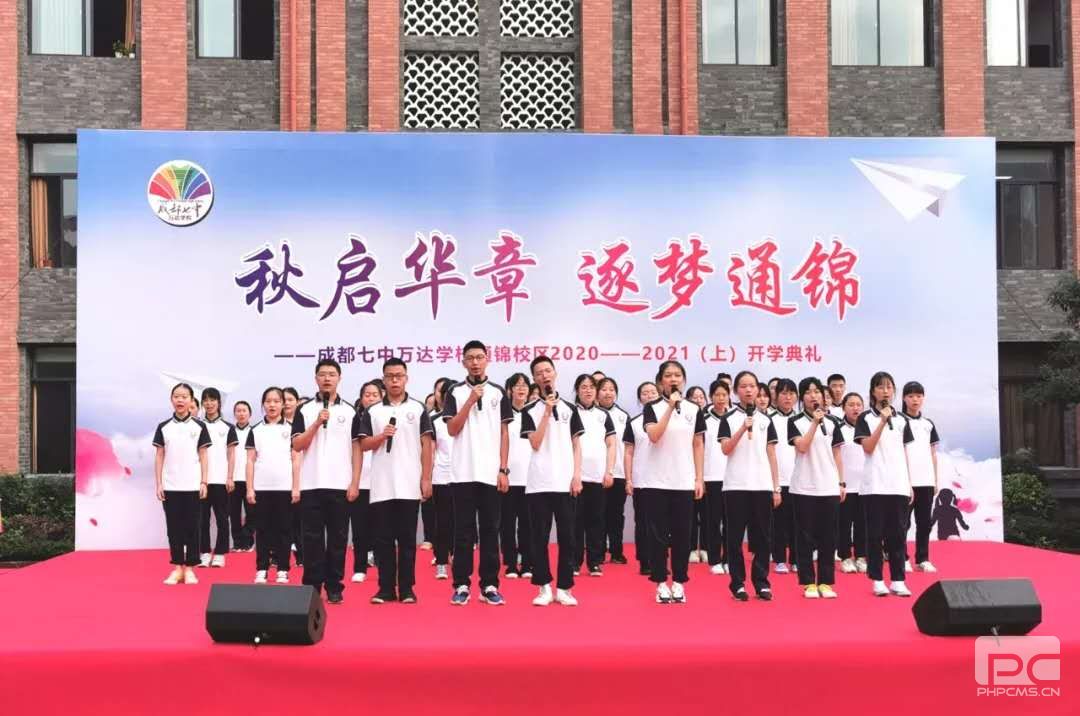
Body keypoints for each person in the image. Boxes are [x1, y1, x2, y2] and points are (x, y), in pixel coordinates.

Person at [356, 358, 434, 604]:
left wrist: (426, 478)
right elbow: (364, 444)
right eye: (390, 376)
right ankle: (386, 588)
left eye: (399, 376)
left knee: (407, 540)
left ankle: (407, 588)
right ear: (384, 380)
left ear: (406, 378)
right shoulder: (373, 411)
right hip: (382, 485)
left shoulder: (418, 409)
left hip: (409, 484)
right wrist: (381, 437)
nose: (395, 380)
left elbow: (427, 445)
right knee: (383, 540)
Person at [443, 340, 512, 606]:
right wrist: (470, 401)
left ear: (487, 359)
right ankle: (461, 584)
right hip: (463, 473)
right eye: (470, 358)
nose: (475, 362)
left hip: (490, 473)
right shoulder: (455, 392)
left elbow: (505, 433)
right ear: (463, 362)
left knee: (490, 530)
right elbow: (452, 429)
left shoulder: (498, 392)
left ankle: (489, 585)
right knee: (463, 532)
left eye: (479, 357)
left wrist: (503, 469)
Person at [291, 359, 360, 605]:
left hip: (340, 484)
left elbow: (357, 449)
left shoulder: (351, 411)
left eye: (332, 374)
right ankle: (312, 585)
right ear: (316, 379)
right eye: (322, 374)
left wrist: (355, 482)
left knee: (338, 539)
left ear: (339, 378)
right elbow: (297, 445)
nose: (327, 378)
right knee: (311, 539)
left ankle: (334, 586)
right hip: (311, 484)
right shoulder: (304, 410)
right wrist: (317, 423)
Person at [522, 355, 584, 606]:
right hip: (539, 483)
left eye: (548, 371)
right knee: (539, 537)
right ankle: (544, 587)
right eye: (539, 373)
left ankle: (565, 588)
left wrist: (577, 475)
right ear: (534, 379)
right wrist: (546, 411)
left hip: (565, 483)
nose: (544, 375)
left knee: (568, 537)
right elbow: (535, 443)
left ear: (555, 373)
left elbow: (576, 444)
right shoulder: (529, 410)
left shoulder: (570, 408)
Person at [643, 360, 705, 604]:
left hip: (683, 481)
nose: (673, 379)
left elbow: (698, 444)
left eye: (677, 375)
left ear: (684, 380)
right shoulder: (652, 408)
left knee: (682, 535)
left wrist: (699, 478)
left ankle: (679, 582)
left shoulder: (693, 409)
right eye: (668, 375)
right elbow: (654, 436)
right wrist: (669, 407)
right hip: (656, 482)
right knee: (657, 537)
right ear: (661, 381)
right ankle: (660, 583)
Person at [720, 370, 781, 602]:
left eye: (752, 386)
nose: (748, 390)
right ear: (736, 391)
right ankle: (737, 584)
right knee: (734, 538)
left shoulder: (766, 420)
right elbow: (726, 449)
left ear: (758, 390)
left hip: (762, 486)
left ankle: (761, 582)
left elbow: (771, 454)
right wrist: (742, 429)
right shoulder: (728, 418)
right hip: (735, 486)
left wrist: (776, 487)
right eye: (743, 386)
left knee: (764, 538)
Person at [855, 371, 913, 598]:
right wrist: (881, 421)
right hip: (874, 486)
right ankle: (877, 579)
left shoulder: (902, 420)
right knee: (875, 535)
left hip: (898, 484)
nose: (885, 391)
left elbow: (904, 452)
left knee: (897, 535)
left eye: (889, 387)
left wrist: (909, 483)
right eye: (880, 387)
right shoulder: (865, 418)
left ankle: (898, 580)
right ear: (873, 392)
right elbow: (868, 447)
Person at [788, 377, 845, 599]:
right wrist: (814, 422)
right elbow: (802, 447)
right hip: (803, 487)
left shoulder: (833, 422)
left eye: (817, 392)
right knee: (804, 537)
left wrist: (841, 482)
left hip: (828, 486)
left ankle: (826, 582)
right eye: (808, 392)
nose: (813, 396)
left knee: (828, 537)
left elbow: (837, 454)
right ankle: (808, 582)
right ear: (802, 397)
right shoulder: (795, 421)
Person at [154, 383, 210, 585]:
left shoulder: (199, 427)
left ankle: (190, 569)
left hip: (193, 485)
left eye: (184, 396)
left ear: (191, 400)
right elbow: (159, 455)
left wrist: (204, 481)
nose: (180, 400)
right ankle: (177, 568)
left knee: (193, 528)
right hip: (170, 486)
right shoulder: (164, 427)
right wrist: (159, 483)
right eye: (176, 396)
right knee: (174, 528)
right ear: (171, 400)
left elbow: (203, 455)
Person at [246, 388, 294, 584]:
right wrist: (250, 488)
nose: (272, 405)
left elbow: (296, 459)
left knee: (284, 529)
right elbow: (250, 460)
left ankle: (283, 568)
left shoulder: (292, 429)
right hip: (262, 487)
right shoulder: (256, 430)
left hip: (285, 487)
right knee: (263, 530)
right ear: (263, 404)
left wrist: (296, 487)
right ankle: (261, 568)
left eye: (276, 401)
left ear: (283, 404)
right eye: (268, 401)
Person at [572, 373, 616, 577]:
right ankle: (574, 562)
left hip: (598, 477)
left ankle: (595, 562)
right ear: (577, 390)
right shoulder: (570, 412)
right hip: (576, 477)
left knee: (596, 521)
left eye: (591, 386)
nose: (588, 390)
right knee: (575, 522)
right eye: (583, 387)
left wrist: (609, 471)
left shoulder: (603, 415)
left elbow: (611, 444)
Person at [902, 381, 941, 573]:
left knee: (924, 523)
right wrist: (904, 480)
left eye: (918, 396)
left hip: (926, 480)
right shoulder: (899, 421)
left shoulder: (928, 424)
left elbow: (933, 453)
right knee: (903, 523)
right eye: (911, 396)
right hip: (905, 481)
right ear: (904, 398)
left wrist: (935, 480)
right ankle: (901, 558)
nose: (915, 400)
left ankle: (923, 558)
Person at [198, 387, 237, 568]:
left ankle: (220, 553)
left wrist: (230, 477)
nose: (209, 403)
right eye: (205, 400)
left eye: (212, 400)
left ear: (219, 402)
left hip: (221, 480)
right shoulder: (197, 426)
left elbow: (231, 454)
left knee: (222, 518)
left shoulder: (228, 427)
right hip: (201, 481)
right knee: (202, 519)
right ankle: (205, 552)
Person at [624, 381, 659, 576]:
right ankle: (645, 561)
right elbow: (629, 452)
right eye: (645, 393)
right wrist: (629, 479)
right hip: (642, 480)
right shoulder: (634, 422)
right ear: (639, 398)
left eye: (653, 392)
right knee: (643, 522)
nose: (650, 395)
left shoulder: (667, 419)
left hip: (665, 479)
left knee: (662, 524)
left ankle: (660, 560)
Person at [349, 380, 383, 584]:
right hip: (360, 481)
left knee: (383, 529)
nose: (370, 398)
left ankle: (382, 565)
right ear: (361, 398)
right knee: (359, 528)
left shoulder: (387, 418)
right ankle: (359, 567)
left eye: (375, 395)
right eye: (367, 395)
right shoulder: (354, 420)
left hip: (383, 482)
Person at [502, 373, 534, 579]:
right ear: (510, 390)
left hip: (530, 479)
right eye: (517, 385)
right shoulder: (503, 415)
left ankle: (528, 563)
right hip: (508, 478)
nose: (521, 389)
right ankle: (511, 564)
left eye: (525, 385)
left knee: (527, 525)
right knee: (506, 524)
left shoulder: (534, 414)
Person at [597, 377, 631, 565]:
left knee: (616, 514)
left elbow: (628, 447)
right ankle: (598, 552)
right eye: (604, 389)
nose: (608, 393)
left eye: (611, 389)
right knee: (598, 514)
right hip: (596, 474)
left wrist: (628, 475)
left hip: (618, 472)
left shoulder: (623, 416)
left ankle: (617, 551)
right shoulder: (592, 414)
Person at [837, 393, 868, 574]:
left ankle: (861, 556)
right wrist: (839, 482)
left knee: (862, 523)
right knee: (844, 524)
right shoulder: (838, 428)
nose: (855, 408)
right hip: (846, 485)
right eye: (851, 405)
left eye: (858, 405)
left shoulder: (868, 428)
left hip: (865, 485)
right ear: (843, 407)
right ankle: (845, 557)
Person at [769, 379, 798, 574]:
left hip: (800, 480)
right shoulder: (768, 419)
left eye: (791, 393)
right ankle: (779, 559)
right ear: (776, 396)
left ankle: (796, 559)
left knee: (799, 523)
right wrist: (774, 484)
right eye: (784, 393)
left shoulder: (802, 419)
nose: (788, 397)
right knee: (778, 523)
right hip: (778, 479)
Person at [702, 378, 731, 575]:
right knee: (713, 520)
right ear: (711, 397)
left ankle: (729, 559)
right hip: (711, 476)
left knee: (731, 522)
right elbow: (698, 448)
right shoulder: (703, 419)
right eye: (717, 395)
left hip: (732, 477)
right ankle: (714, 559)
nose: (721, 398)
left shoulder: (734, 417)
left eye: (724, 395)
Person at [430, 378, 456, 579]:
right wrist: (427, 477)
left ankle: (457, 556)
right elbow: (431, 450)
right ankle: (441, 561)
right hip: (441, 477)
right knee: (442, 521)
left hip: (463, 476)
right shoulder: (435, 420)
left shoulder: (468, 418)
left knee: (461, 521)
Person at [229, 400, 255, 552]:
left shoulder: (255, 431)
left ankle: (248, 541)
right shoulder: (230, 432)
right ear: (234, 414)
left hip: (250, 480)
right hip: (233, 479)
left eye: (244, 410)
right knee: (234, 513)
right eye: (238, 411)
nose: (241, 414)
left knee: (252, 513)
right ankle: (237, 543)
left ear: (250, 414)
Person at [283, 387, 303, 566]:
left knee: (300, 519)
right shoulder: (273, 425)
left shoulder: (303, 424)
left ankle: (301, 554)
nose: (287, 403)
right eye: (284, 400)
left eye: (290, 399)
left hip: (301, 476)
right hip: (280, 478)